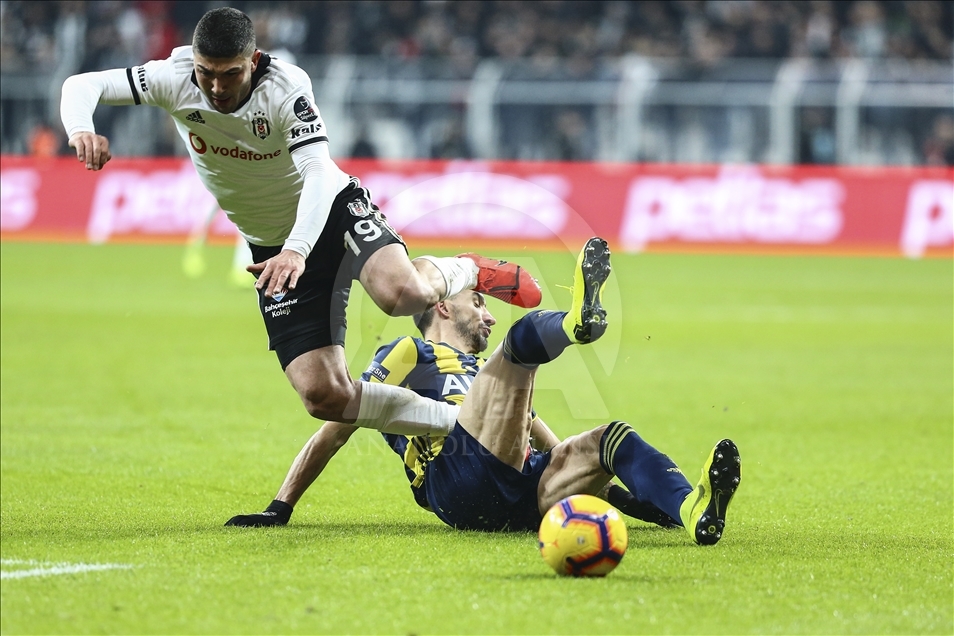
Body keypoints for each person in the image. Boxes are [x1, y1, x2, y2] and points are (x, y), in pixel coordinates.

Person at [59, 7, 541, 438]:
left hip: (329, 212)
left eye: (229, 74)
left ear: (252, 60)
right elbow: (82, 85)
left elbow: (315, 172)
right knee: (323, 396)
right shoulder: (173, 76)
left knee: (404, 295)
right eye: (207, 74)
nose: (216, 88)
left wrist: (298, 248)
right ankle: (455, 424)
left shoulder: (287, 88)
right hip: (273, 245)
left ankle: (468, 270)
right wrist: (81, 127)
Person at [228, 238, 741, 546]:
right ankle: (577, 324)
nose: (490, 312)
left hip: (512, 484)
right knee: (520, 348)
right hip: (457, 480)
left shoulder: (486, 375)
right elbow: (336, 428)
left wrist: (630, 497)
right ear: (444, 308)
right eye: (479, 301)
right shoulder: (409, 353)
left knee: (612, 439)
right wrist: (281, 506)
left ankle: (691, 512)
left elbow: (546, 444)